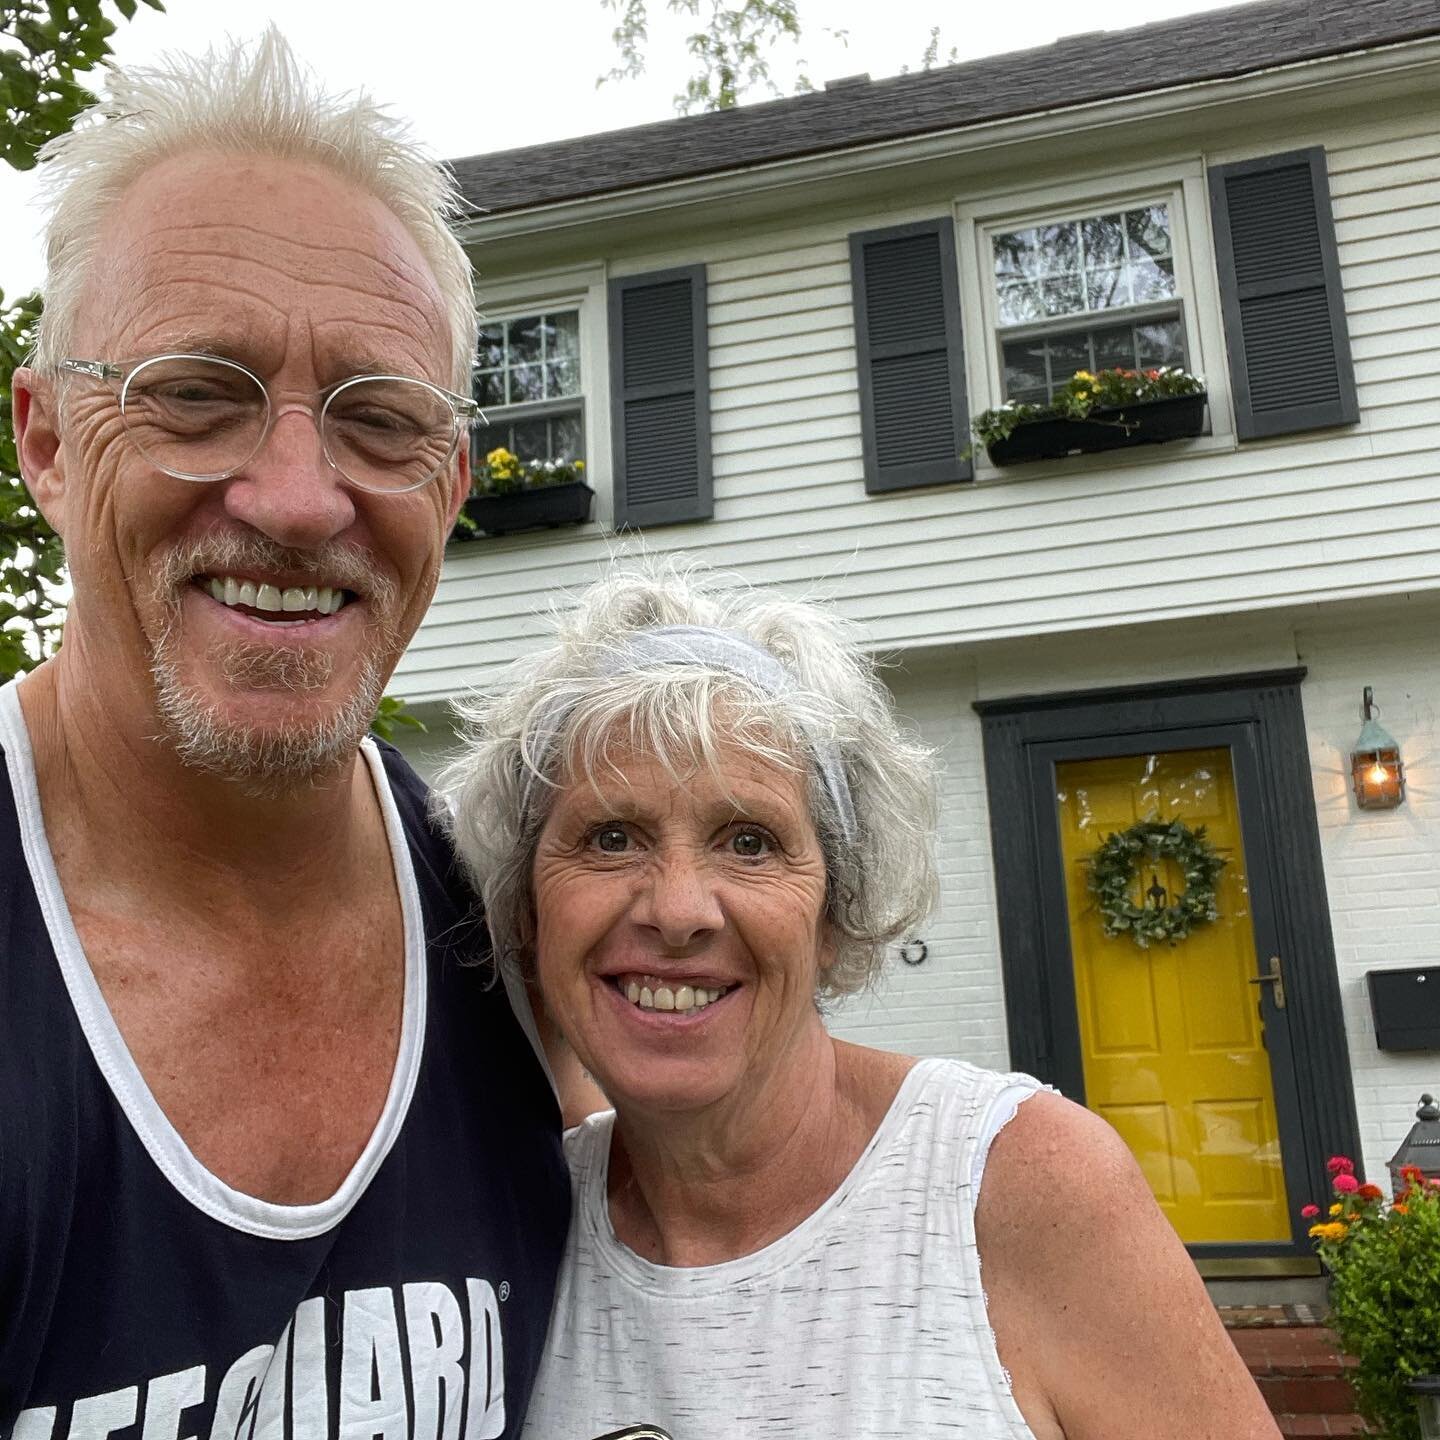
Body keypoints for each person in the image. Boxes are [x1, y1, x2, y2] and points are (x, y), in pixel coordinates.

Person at [3, 33, 568, 1430]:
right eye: (198, 394)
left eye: (382, 423)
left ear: (449, 487)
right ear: (52, 442)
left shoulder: (528, 934)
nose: (303, 498)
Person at [441, 564, 1282, 1440]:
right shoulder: (514, 1224)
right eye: (611, 838)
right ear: (528, 911)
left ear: (836, 916)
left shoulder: (1014, 1184)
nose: (679, 909)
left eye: (751, 842)